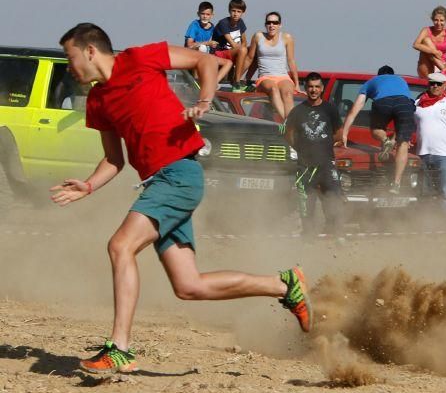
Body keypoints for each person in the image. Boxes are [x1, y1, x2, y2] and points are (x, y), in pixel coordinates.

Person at [52, 23, 311, 374]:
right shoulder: (98, 100)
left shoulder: (140, 58)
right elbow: (115, 159)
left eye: (70, 58)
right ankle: (284, 285)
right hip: (156, 182)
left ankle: (120, 349)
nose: (70, 68)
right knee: (189, 286)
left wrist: (204, 101)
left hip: (179, 174)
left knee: (120, 246)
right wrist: (88, 185)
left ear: (90, 50)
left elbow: (204, 63)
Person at [284, 72, 344, 234]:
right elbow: (288, 133)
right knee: (306, 205)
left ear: (322, 89)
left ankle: (335, 235)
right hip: (305, 165)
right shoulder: (297, 111)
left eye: (317, 87)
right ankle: (308, 238)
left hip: (326, 163)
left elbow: (339, 133)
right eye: (310, 87)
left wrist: (324, 144)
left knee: (333, 201)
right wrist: (301, 147)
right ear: (305, 88)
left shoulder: (330, 109)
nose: (313, 90)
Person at [341, 65, 416, 193]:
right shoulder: (401, 81)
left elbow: (355, 109)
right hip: (405, 104)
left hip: (383, 102)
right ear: (392, 74)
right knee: (402, 142)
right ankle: (396, 184)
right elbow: (410, 108)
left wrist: (344, 133)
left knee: (376, 128)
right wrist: (403, 136)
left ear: (378, 75)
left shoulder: (371, 82)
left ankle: (385, 139)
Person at [414, 72, 446, 212]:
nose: (435, 86)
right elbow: (412, 126)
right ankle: (425, 224)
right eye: (432, 83)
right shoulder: (418, 104)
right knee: (423, 194)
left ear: (444, 86)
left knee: (444, 194)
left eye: (439, 84)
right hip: (422, 155)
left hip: (444, 156)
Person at [246, 12, 299, 121]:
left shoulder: (287, 38)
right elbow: (250, 59)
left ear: (280, 25)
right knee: (273, 89)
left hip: (283, 76)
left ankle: (290, 124)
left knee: (288, 93)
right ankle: (287, 122)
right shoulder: (258, 36)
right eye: (269, 22)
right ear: (265, 25)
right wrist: (242, 79)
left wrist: (297, 84)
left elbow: (291, 61)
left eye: (275, 22)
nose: (272, 25)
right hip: (265, 77)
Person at [184, 1, 232, 84]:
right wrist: (207, 43)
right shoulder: (194, 25)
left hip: (207, 54)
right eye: (203, 14)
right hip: (192, 53)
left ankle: (222, 82)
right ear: (198, 14)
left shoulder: (212, 27)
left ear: (212, 15)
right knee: (201, 48)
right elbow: (189, 44)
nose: (205, 16)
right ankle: (196, 79)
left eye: (207, 14)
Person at [212, 0, 250, 91]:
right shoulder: (223, 23)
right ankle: (236, 83)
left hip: (232, 52)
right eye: (233, 11)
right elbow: (232, 44)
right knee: (243, 50)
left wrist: (245, 51)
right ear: (229, 11)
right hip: (219, 54)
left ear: (243, 13)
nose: (235, 14)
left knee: (253, 50)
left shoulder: (240, 22)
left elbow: (244, 40)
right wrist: (243, 51)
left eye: (238, 11)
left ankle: (246, 79)